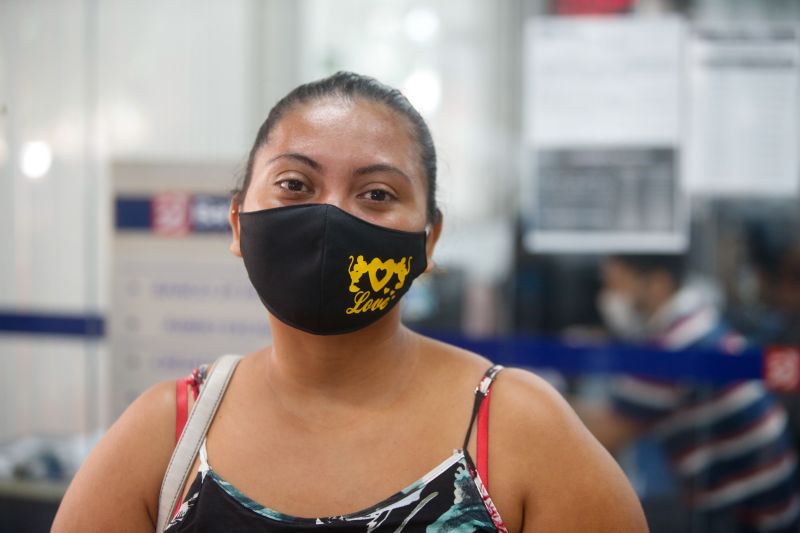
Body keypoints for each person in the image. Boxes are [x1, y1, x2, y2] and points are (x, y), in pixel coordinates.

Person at [52, 72, 646, 532]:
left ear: (429, 240)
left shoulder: (518, 430)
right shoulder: (167, 435)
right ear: (237, 222)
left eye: (377, 193)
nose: (331, 216)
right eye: (295, 184)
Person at [582, 254, 800, 532]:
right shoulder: (692, 320)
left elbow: (601, 437)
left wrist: (544, 402)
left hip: (744, 519)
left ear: (657, 284)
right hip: (758, 508)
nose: (609, 296)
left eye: (617, 284)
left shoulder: (673, 346)